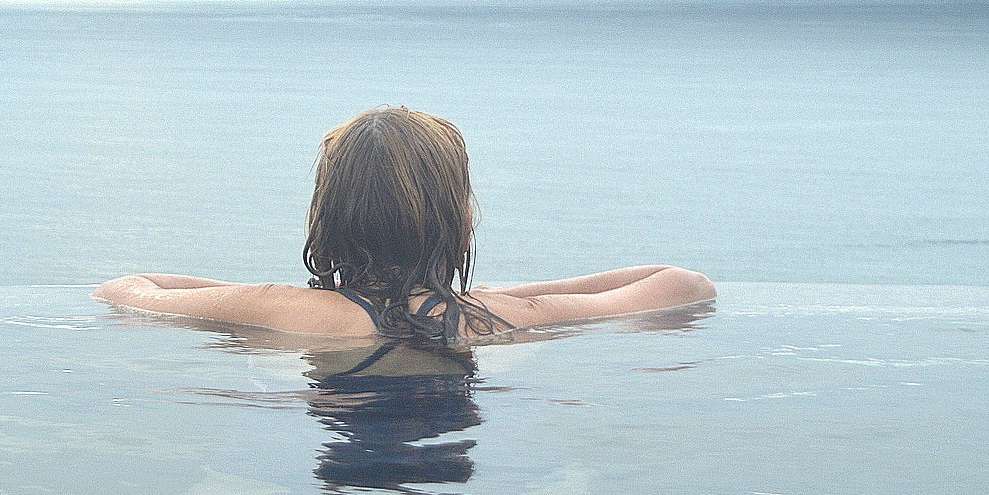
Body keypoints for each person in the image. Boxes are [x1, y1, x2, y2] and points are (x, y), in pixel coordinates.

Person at [94, 106, 715, 344]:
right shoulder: (499, 319)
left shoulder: (277, 310)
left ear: (327, 222)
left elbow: (127, 288)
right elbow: (683, 283)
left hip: (333, 493)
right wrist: (507, 296)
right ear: (460, 222)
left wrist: (234, 294)